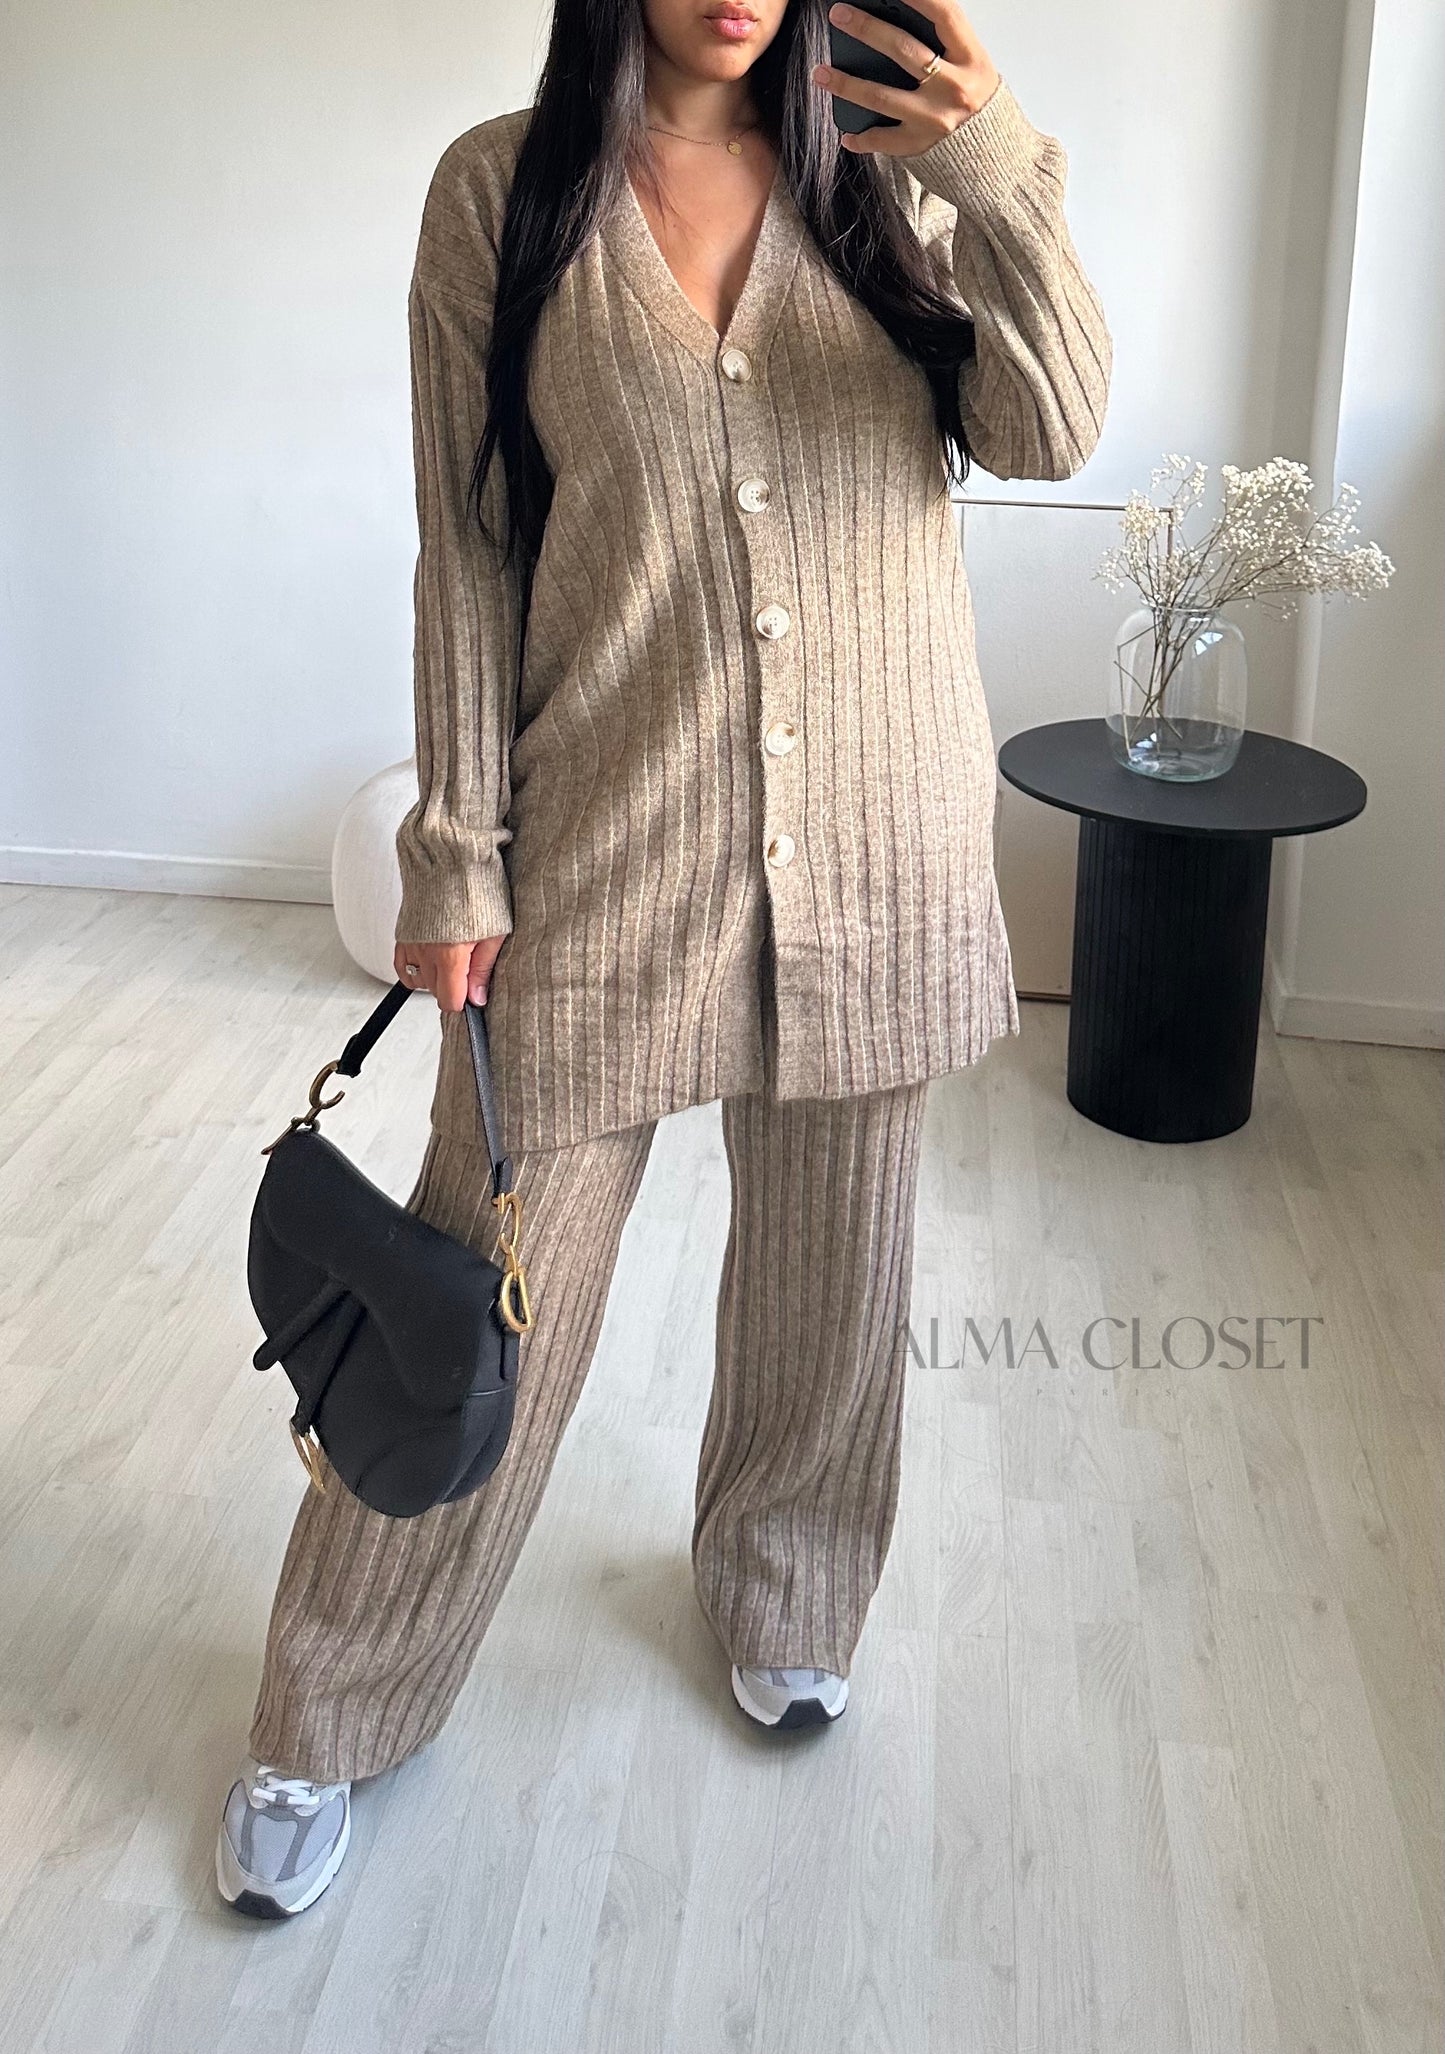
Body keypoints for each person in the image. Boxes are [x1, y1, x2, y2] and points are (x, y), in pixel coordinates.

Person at [216, 0, 1110, 1918]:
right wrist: (455, 850)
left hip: (874, 836)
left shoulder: (898, 178)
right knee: (484, 1292)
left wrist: (995, 166)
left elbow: (1050, 429)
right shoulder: (500, 193)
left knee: (832, 1277)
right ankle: (332, 1702)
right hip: (613, 839)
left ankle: (788, 1590)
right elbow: (472, 546)